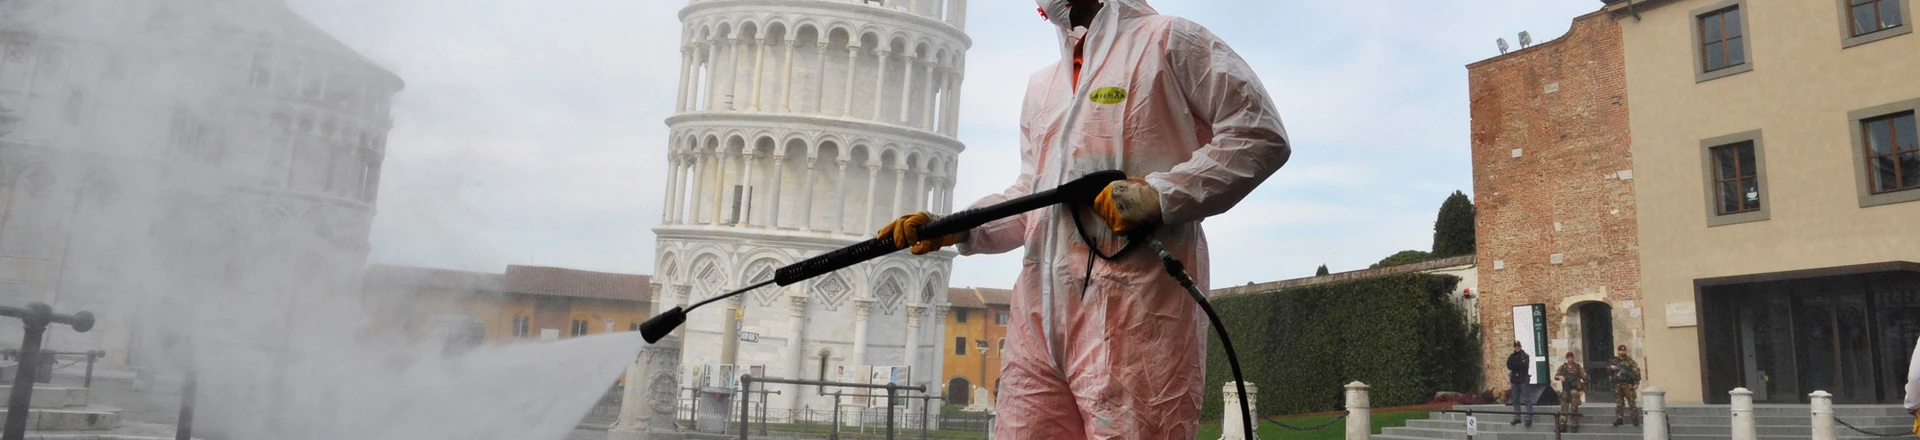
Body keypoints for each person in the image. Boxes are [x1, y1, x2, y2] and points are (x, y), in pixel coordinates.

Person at [876, 0, 1291, 436]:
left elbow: (1258, 134)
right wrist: (958, 226)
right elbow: (1034, 197)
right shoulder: (1044, 86)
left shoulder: (1168, 41)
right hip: (1038, 323)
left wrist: (1160, 196)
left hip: (1137, 316)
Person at [1608, 344, 1641, 427]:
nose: (1621, 352)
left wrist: (1636, 383)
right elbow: (1608, 368)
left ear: (1625, 351)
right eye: (1620, 350)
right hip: (1618, 384)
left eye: (1623, 350)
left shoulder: (1630, 361)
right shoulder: (1614, 361)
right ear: (1618, 351)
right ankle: (1619, 418)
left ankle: (1634, 419)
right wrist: (1611, 367)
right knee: (1619, 403)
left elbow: (1636, 371)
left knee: (1632, 402)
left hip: (1627, 384)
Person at [1555, 351, 1587, 433]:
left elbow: (1585, 378)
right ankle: (1562, 424)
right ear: (1566, 359)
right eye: (1568, 358)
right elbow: (1556, 376)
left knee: (1574, 408)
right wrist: (1560, 376)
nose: (1570, 359)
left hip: (1574, 390)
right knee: (1564, 408)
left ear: (1573, 358)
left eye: (1571, 358)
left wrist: (1582, 390)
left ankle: (1575, 424)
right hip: (1565, 390)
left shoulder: (1578, 367)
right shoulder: (1563, 367)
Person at [1506, 341, 1535, 427]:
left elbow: (1524, 366)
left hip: (1523, 379)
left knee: (1526, 399)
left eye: (1518, 346)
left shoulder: (1525, 356)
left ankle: (1528, 417)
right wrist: (1517, 364)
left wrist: (1515, 364)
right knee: (1515, 399)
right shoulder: (1512, 356)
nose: (1517, 348)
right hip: (1514, 380)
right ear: (1514, 347)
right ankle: (1517, 417)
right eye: (1515, 346)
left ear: (1520, 347)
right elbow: (1509, 365)